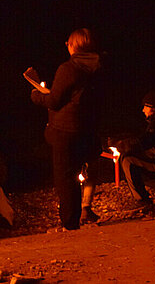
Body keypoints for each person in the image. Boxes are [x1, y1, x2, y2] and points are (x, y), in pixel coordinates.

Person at [30, 28, 103, 231]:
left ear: (75, 46)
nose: (67, 46)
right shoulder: (99, 68)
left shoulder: (69, 68)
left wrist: (36, 95)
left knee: (65, 177)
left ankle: (69, 223)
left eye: (69, 43)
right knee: (80, 173)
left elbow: (54, 101)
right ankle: (78, 215)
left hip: (66, 130)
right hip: (87, 128)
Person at [110, 90, 155, 205]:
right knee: (134, 162)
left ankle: (143, 199)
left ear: (154, 108)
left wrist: (121, 145)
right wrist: (122, 138)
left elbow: (145, 142)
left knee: (127, 160)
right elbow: (143, 138)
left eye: (146, 107)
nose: (143, 110)